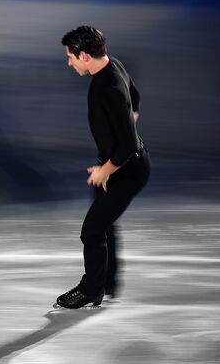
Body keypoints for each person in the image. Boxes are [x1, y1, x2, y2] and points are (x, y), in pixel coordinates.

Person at [56, 26, 150, 308]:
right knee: (105, 225)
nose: (69, 63)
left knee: (92, 231)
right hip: (118, 163)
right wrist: (111, 156)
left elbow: (129, 145)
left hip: (128, 169)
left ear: (84, 55)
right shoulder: (114, 64)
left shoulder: (105, 88)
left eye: (71, 57)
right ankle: (107, 282)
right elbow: (136, 98)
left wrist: (107, 168)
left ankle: (91, 290)